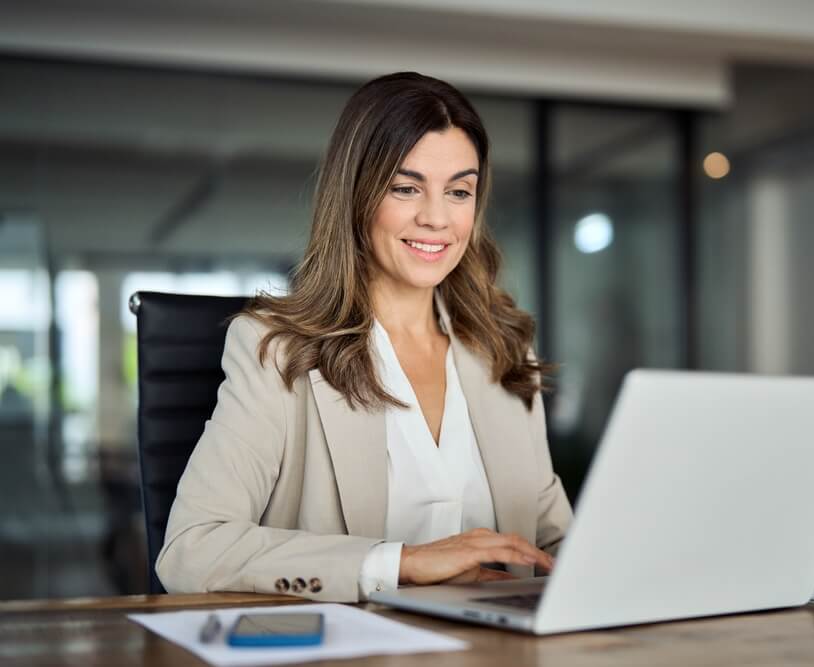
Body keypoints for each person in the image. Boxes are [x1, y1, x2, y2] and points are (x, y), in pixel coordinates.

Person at [155, 72, 573, 603]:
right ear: (356, 193)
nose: (437, 218)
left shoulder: (502, 349)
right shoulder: (277, 350)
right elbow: (192, 550)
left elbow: (552, 538)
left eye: (459, 191)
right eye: (406, 188)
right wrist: (401, 564)